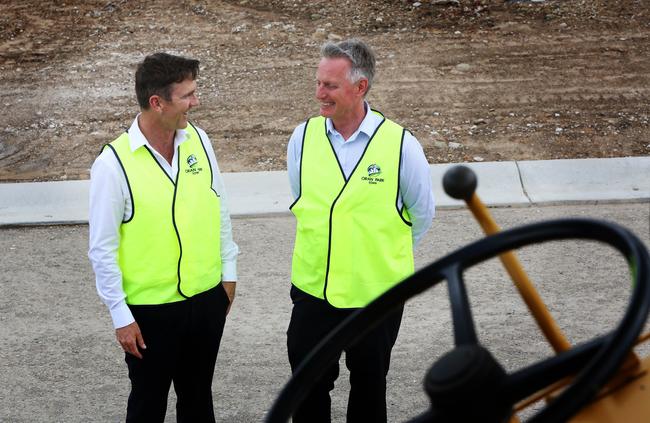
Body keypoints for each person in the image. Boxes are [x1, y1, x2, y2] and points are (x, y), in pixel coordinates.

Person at [286, 39, 435, 422]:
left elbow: (421, 214)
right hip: (313, 292)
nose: (319, 93)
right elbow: (305, 201)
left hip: (377, 296)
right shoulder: (302, 139)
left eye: (329, 86)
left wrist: (379, 255)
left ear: (360, 87)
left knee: (369, 389)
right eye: (318, 83)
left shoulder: (402, 145)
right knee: (308, 389)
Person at [88, 52, 238, 422]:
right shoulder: (113, 165)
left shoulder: (200, 141)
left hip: (206, 301)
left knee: (198, 398)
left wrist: (228, 276)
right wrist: (120, 316)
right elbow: (102, 248)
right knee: (148, 403)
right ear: (157, 103)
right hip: (149, 313)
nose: (195, 102)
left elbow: (218, 207)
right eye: (187, 95)